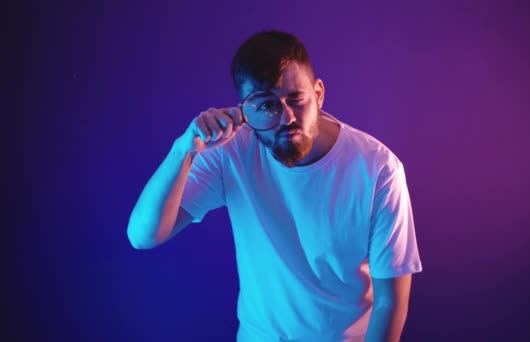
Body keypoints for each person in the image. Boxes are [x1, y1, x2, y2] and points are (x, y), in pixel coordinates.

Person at [127, 30, 422, 342]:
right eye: (267, 106)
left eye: (296, 99)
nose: (286, 117)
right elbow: (143, 235)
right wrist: (184, 149)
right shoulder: (231, 152)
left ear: (319, 94)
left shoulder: (378, 168)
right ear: (245, 110)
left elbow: (391, 301)